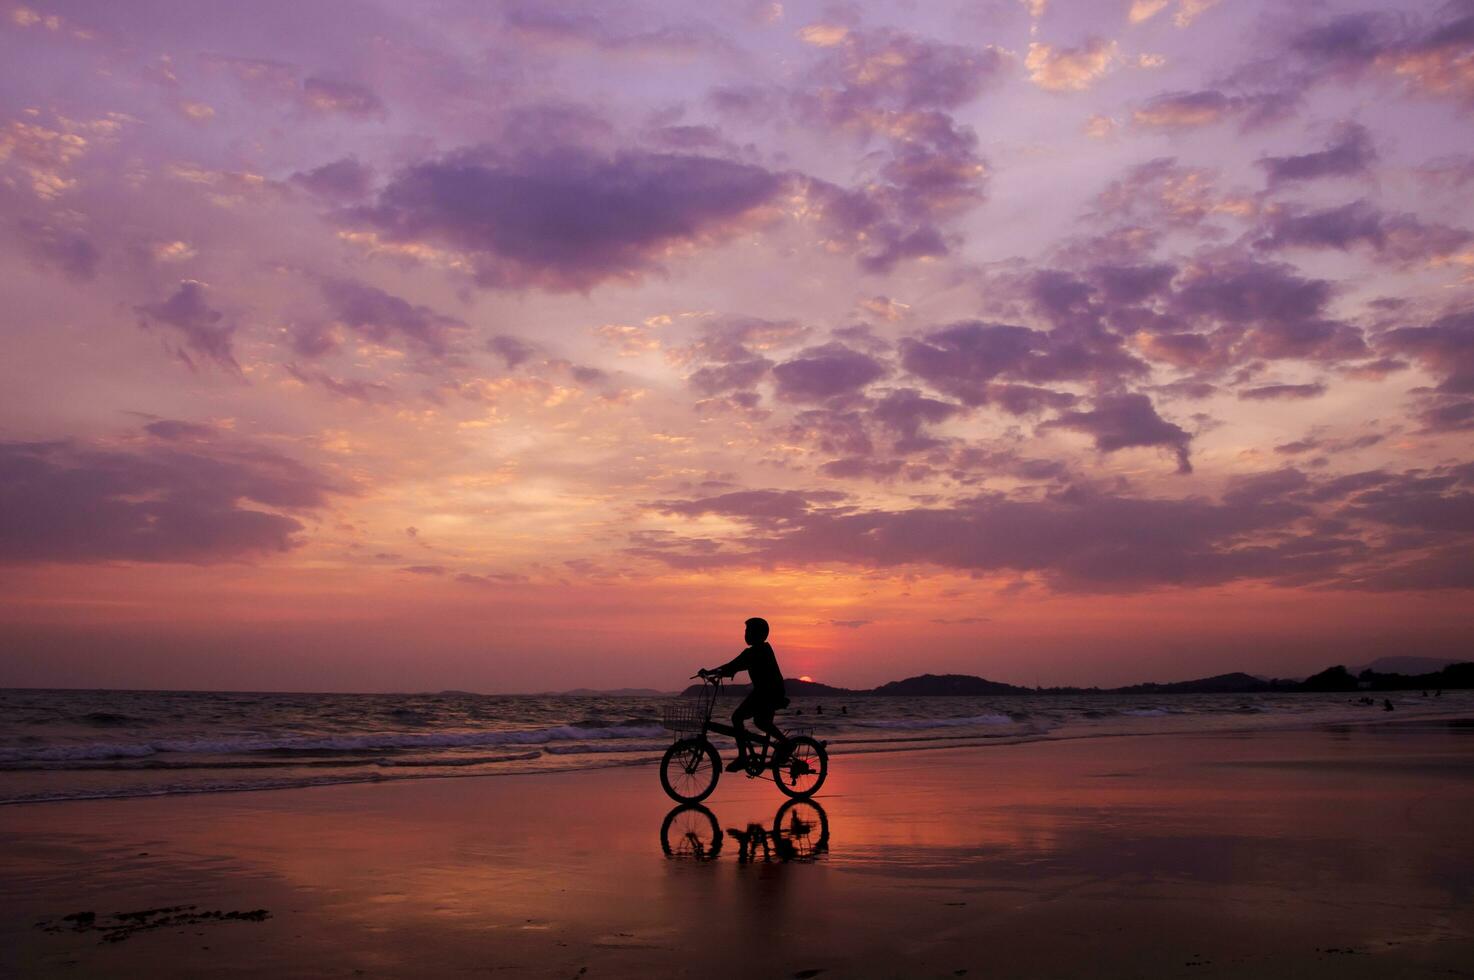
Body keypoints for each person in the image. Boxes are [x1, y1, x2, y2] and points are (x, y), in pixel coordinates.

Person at [700, 617, 789, 772]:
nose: (745, 634)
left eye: (748, 631)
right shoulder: (758, 650)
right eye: (746, 631)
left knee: (737, 717)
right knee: (762, 723)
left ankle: (743, 757)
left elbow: (733, 665)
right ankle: (786, 744)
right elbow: (734, 666)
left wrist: (710, 672)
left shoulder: (758, 651)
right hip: (766, 693)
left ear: (758, 634)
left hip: (768, 693)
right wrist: (718, 672)